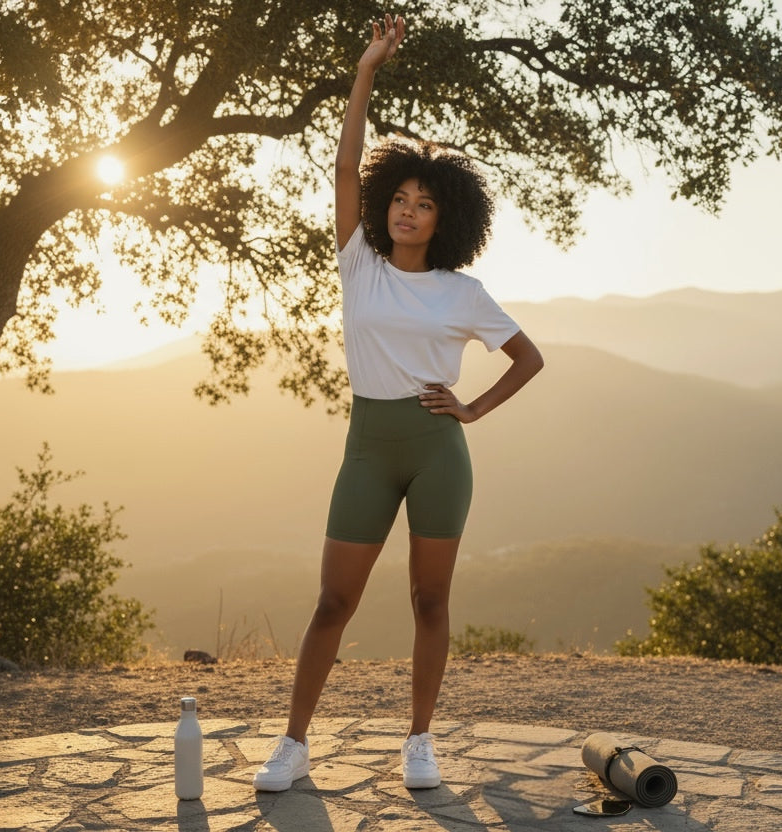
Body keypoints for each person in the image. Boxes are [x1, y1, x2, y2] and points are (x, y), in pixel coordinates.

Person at [252, 14, 544, 792]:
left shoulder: (463, 292)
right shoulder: (360, 264)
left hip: (436, 450)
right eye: (400, 199)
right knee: (331, 601)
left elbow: (529, 357)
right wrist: (364, 72)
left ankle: (419, 739)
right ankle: (293, 742)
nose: (407, 210)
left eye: (424, 204)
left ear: (445, 219)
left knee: (428, 600)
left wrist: (473, 411)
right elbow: (345, 168)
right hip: (369, 447)